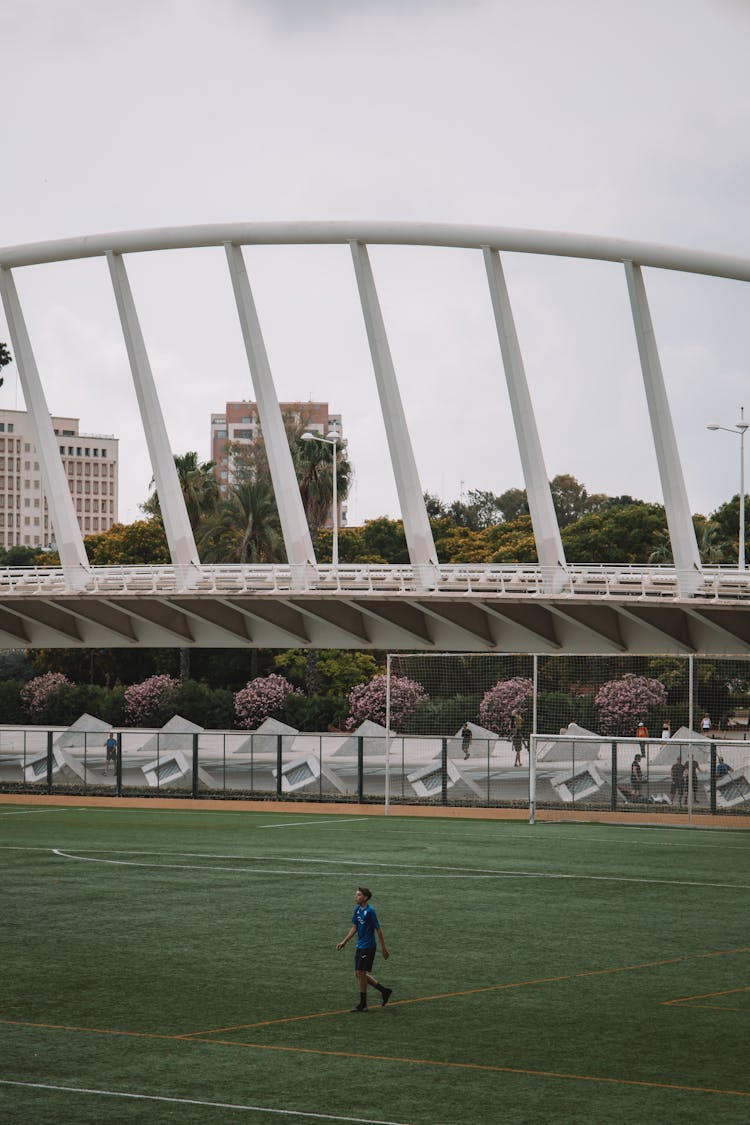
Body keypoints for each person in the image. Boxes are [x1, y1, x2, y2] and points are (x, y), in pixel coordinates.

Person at [336, 886, 391, 1013]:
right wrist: (344, 942)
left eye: (359, 895)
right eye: (356, 895)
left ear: (365, 898)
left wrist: (384, 948)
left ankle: (363, 1004)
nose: (356, 897)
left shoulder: (370, 911)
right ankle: (384, 991)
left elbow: (378, 929)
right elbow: (355, 927)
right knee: (359, 974)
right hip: (360, 945)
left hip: (368, 946)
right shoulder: (357, 909)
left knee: (361, 973)